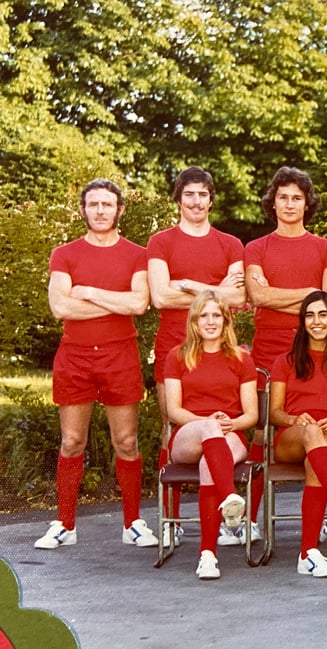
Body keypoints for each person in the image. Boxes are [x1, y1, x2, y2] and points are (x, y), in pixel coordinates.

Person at [36, 179, 158, 551]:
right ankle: (65, 524)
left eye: (107, 204)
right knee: (72, 441)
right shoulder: (65, 254)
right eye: (93, 204)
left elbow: (138, 304)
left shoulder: (137, 254)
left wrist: (88, 292)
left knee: (127, 442)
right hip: (74, 356)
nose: (100, 211)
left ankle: (132, 522)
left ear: (120, 209)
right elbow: (60, 307)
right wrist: (114, 303)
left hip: (120, 355)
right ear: (83, 209)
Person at [146, 166, 245, 547]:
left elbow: (238, 298)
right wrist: (216, 290)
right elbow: (160, 296)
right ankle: (170, 519)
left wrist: (187, 285)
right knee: (170, 430)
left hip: (219, 350)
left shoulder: (230, 244)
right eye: (189, 194)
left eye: (203, 194)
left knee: (221, 427)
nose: (196, 201)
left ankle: (221, 519)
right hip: (173, 348)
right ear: (178, 199)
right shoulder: (161, 242)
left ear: (211, 199)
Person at [244, 166, 327, 535]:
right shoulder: (256, 247)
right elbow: (258, 296)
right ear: (273, 202)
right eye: (282, 197)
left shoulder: (326, 248)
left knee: (320, 426)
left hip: (313, 346)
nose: (289, 204)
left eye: (296, 198)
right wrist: (309, 294)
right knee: (261, 431)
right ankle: (248, 520)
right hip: (268, 347)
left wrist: (282, 295)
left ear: (306, 203)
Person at [163, 291, 258, 579]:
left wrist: (230, 423)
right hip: (188, 434)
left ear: (226, 320)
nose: (211, 321)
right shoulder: (178, 356)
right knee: (208, 429)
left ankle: (207, 555)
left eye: (217, 315)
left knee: (210, 464)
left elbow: (251, 415)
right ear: (194, 321)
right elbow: (173, 410)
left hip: (230, 434)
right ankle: (229, 495)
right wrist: (208, 423)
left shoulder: (241, 359)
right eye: (204, 315)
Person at [269, 291, 327, 577]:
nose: (317, 321)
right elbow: (274, 412)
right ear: (302, 321)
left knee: (318, 460)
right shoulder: (285, 361)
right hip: (292, 436)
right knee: (311, 433)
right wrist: (294, 419)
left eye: (323, 314)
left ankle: (307, 553)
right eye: (310, 315)